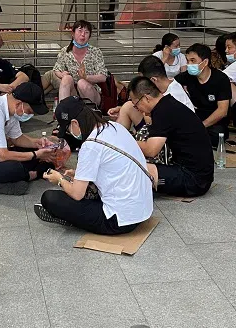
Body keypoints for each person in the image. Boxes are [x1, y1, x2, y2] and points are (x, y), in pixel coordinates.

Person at [35, 97, 153, 234]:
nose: (69, 133)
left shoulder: (91, 145)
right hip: (142, 210)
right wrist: (78, 174)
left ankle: (69, 219)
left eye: (67, 129)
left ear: (75, 123)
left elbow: (77, 194)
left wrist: (59, 179)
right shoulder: (115, 127)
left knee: (50, 198)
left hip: (118, 221)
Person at [128, 77, 215, 197]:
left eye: (136, 105)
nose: (137, 109)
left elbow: (151, 150)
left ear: (146, 98)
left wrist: (126, 142)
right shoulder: (167, 104)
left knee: (133, 169)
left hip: (193, 180)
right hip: (197, 173)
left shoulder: (163, 111)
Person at [109, 55, 194, 132]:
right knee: (128, 106)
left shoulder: (173, 96)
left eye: (143, 81)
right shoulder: (168, 85)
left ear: (153, 80)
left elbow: (154, 119)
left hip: (171, 133)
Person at [176, 43, 231, 143]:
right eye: (188, 61)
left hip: (214, 122)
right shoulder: (186, 76)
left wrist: (202, 125)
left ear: (205, 62)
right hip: (194, 117)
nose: (189, 64)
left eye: (193, 61)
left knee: (217, 135)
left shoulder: (221, 79)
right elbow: (169, 84)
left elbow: (222, 111)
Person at [45, 20, 107, 106]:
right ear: (73, 34)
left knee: (82, 82)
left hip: (91, 93)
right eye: (80, 31)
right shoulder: (65, 51)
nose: (83, 34)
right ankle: (63, 111)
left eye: (86, 32)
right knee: (66, 78)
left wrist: (86, 77)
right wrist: (62, 74)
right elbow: (57, 69)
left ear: (89, 36)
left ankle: (90, 112)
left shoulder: (96, 52)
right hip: (73, 94)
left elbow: (103, 77)